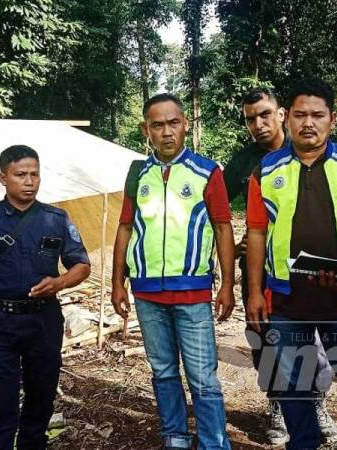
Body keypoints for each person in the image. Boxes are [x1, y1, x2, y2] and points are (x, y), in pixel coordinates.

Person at [245, 77, 337, 449]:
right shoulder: (266, 171)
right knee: (292, 391)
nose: (309, 123)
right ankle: (304, 443)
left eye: (318, 115)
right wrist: (255, 292)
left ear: (332, 120)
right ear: (287, 118)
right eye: (301, 114)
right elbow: (257, 233)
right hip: (287, 303)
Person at [111, 93, 235, 450]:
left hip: (193, 293)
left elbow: (223, 228)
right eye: (158, 125)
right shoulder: (139, 173)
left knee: (203, 378)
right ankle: (175, 437)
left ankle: (214, 442)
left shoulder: (207, 172)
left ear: (185, 125)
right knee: (163, 372)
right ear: (145, 129)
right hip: (146, 292)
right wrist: (118, 283)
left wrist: (227, 285)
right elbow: (125, 227)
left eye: (173, 123)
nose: (167, 132)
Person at [223, 87, 337, 445]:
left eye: (265, 114)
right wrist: (233, 245)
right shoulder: (243, 163)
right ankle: (278, 405)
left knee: (313, 341)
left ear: (282, 113)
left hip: (308, 270)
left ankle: (315, 405)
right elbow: (215, 212)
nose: (258, 124)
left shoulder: (310, 150)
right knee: (264, 339)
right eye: (250, 118)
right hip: (260, 273)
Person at [0, 144, 90, 450]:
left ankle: (33, 444)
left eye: (34, 174)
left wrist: (59, 282)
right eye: (20, 174)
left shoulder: (55, 218)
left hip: (43, 319)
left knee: (42, 393)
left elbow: (82, 265)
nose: (29, 181)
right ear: (3, 178)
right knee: (1, 400)